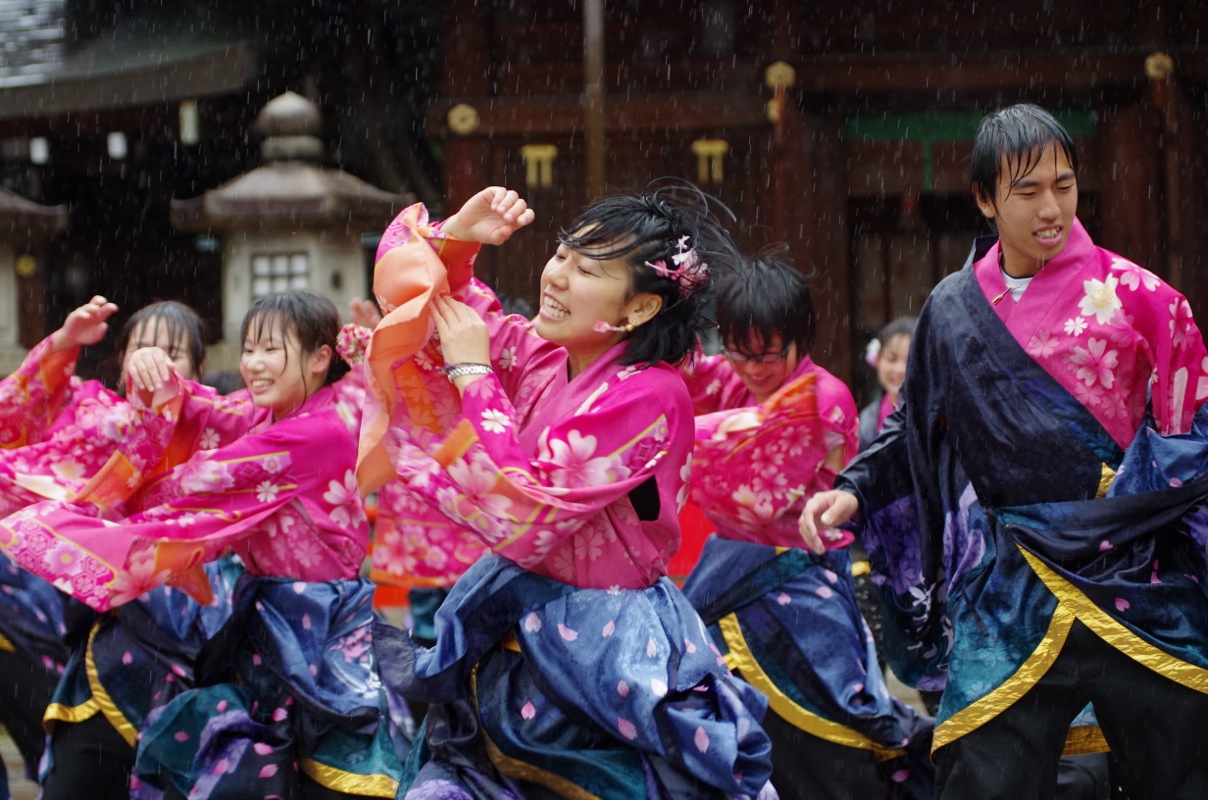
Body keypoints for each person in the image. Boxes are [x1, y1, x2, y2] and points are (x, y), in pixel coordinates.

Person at [800, 103, 1208, 798]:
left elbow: (1191, 433)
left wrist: (1117, 512)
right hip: (1010, 581)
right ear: (986, 199)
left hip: (1136, 575)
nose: (1051, 207)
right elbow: (915, 426)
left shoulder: (1147, 301)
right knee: (982, 774)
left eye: (1064, 184)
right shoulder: (953, 309)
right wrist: (858, 488)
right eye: (1028, 191)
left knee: (1180, 764)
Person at [360, 185, 775, 798]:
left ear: (637, 310)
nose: (555, 275)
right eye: (561, 254)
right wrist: (457, 239)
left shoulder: (651, 395)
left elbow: (525, 510)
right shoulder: (544, 359)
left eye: (585, 268)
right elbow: (440, 304)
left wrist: (472, 373)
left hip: (608, 650)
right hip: (513, 627)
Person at [0, 291, 404, 799]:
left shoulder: (313, 431)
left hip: (313, 638)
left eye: (270, 350)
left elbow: (202, 481)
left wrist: (84, 520)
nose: (254, 364)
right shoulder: (267, 413)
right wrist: (161, 384)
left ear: (321, 358)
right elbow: (211, 407)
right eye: (249, 349)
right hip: (248, 630)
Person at [678, 250, 932, 800]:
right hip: (723, 582)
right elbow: (672, 381)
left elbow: (750, 486)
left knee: (831, 749)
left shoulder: (826, 398)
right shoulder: (729, 376)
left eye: (767, 355)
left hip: (803, 589)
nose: (750, 369)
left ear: (802, 337)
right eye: (739, 353)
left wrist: (644, 440)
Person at [857, 316, 915, 452]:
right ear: (877, 359)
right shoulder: (866, 420)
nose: (900, 369)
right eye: (891, 358)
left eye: (910, 360)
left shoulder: (936, 419)